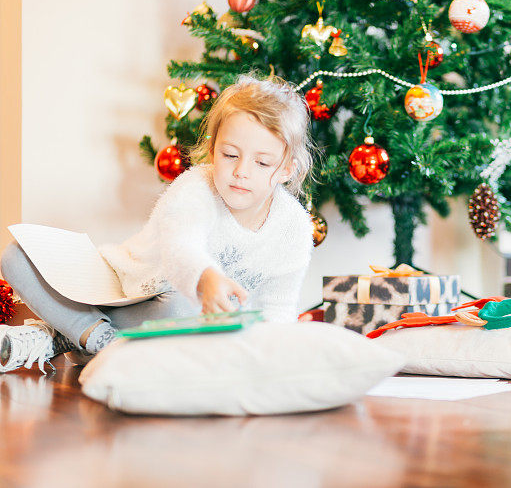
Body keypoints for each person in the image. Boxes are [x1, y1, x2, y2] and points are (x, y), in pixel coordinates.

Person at [0, 73, 316, 373]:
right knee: (14, 257)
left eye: (262, 163)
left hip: (172, 313)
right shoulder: (195, 187)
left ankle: (79, 336)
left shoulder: (294, 228)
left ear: (288, 168)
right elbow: (182, 245)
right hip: (117, 284)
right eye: (230, 155)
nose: (242, 171)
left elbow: (279, 309)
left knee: (184, 310)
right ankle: (98, 338)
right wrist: (206, 278)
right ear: (212, 149)